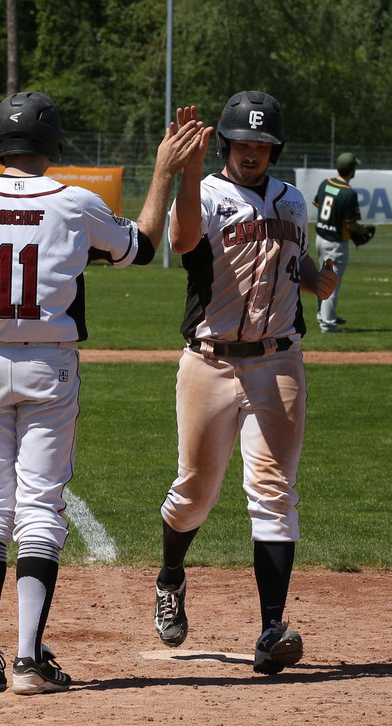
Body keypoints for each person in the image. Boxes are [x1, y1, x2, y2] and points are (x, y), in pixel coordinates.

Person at [0, 91, 207, 695]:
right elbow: (142, 246)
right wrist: (164, 172)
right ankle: (29, 661)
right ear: (55, 144)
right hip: (50, 367)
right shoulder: (75, 203)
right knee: (40, 507)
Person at [153, 91, 338, 675]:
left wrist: (316, 280)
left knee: (275, 490)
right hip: (209, 363)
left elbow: (291, 259)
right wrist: (186, 173)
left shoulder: (293, 201)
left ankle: (272, 629)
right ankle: (171, 577)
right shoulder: (206, 193)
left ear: (274, 149)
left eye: (262, 144)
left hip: (278, 362)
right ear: (227, 145)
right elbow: (182, 241)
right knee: (194, 492)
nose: (251, 152)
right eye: (242, 142)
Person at [313, 152, 372, 332]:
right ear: (352, 170)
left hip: (321, 238)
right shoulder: (349, 193)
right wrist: (364, 230)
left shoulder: (326, 184)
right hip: (336, 243)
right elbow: (351, 225)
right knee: (332, 284)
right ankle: (328, 324)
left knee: (323, 279)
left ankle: (323, 315)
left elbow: (319, 205)